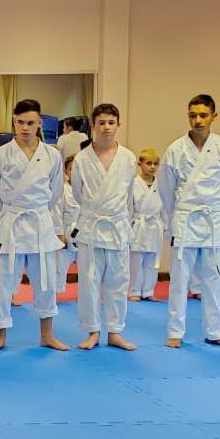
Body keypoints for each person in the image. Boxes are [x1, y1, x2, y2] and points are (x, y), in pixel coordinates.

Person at [0, 100, 66, 353]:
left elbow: (55, 191)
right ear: (14, 122)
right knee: (2, 282)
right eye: (20, 122)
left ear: (39, 123)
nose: (25, 128)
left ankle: (47, 335)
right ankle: (0, 335)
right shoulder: (1, 154)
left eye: (30, 123)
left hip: (39, 221)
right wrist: (4, 215)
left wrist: (38, 210)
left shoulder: (52, 155)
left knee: (46, 281)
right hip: (11, 221)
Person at [158, 94, 220, 349]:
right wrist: (178, 213)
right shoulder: (176, 149)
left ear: (214, 116)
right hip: (185, 218)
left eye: (203, 115)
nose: (198, 120)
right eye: (193, 115)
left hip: (212, 218)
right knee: (179, 280)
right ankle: (175, 331)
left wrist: (213, 205)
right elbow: (165, 188)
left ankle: (215, 331)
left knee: (214, 278)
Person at [70, 104, 138, 351]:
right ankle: (92, 331)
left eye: (111, 122)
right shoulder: (81, 158)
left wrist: (119, 216)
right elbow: (78, 194)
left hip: (117, 226)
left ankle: (115, 331)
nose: (106, 127)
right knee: (89, 282)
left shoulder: (128, 158)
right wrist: (95, 210)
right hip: (92, 226)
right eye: (101, 123)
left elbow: (129, 194)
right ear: (93, 125)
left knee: (118, 281)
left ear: (118, 124)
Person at [129, 148, 164, 301]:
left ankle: (148, 291)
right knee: (136, 261)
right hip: (138, 225)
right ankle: (135, 291)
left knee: (152, 261)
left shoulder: (161, 185)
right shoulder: (133, 184)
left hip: (155, 225)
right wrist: (128, 226)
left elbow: (165, 208)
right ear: (140, 164)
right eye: (148, 163)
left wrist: (166, 226)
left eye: (155, 164)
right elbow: (129, 207)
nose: (152, 167)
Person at [57, 155, 79, 297]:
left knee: (89, 267)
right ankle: (55, 293)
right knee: (61, 264)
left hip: (85, 231)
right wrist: (60, 233)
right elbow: (57, 212)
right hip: (67, 230)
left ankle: (88, 294)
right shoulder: (62, 190)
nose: (75, 172)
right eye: (71, 169)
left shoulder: (89, 189)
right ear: (66, 171)